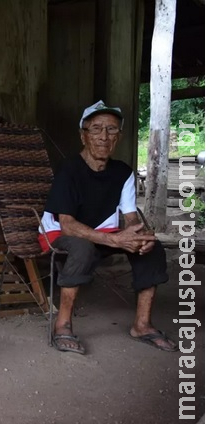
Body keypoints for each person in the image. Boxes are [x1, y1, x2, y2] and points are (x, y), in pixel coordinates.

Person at [38, 100, 178, 355]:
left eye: (112, 130)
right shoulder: (69, 170)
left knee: (151, 248)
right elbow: (67, 225)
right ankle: (62, 325)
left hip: (104, 232)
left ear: (119, 137)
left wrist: (139, 235)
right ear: (84, 135)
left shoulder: (122, 172)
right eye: (96, 129)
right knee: (82, 248)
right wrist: (114, 241)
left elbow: (130, 217)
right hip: (60, 233)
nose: (104, 137)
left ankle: (142, 325)